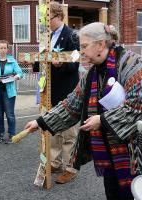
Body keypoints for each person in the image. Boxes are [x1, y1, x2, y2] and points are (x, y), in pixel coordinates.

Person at [25, 22, 142, 200]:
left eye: (85, 46)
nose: (82, 53)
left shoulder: (132, 63)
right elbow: (72, 103)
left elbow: (137, 106)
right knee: (113, 192)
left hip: (135, 153)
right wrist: (41, 122)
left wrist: (101, 120)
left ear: (101, 44)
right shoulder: (92, 74)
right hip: (110, 152)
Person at [31, 2, 80, 184]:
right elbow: (42, 60)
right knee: (53, 130)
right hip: (49, 92)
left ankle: (70, 168)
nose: (46, 22)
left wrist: (61, 63)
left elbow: (75, 62)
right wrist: (35, 61)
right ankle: (55, 162)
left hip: (67, 92)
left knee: (69, 134)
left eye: (48, 19)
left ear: (59, 16)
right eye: (44, 19)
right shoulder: (47, 36)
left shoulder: (72, 36)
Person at [0, 40, 23, 144]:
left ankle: (12, 135)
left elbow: (20, 72)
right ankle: (0, 134)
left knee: (10, 114)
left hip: (9, 91)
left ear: (8, 49)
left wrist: (16, 76)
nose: (3, 50)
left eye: (5, 48)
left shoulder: (12, 60)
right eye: (1, 48)